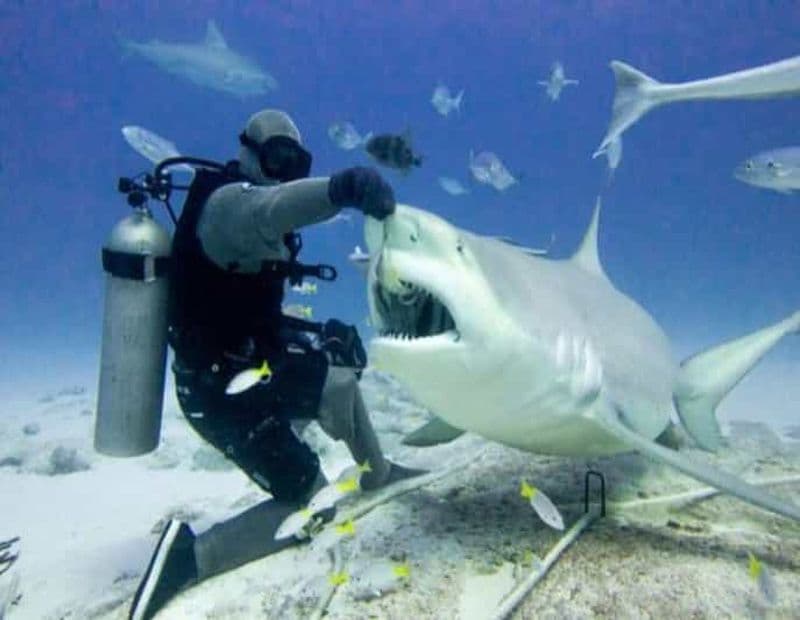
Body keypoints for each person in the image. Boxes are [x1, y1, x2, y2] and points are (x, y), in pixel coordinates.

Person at [129, 109, 424, 620]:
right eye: (276, 157)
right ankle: (190, 558)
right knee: (314, 504)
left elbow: (242, 308)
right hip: (218, 396)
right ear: (247, 152)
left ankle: (378, 471)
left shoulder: (253, 220)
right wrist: (341, 189)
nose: (284, 170)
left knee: (339, 378)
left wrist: (311, 332)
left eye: (296, 161)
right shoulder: (227, 206)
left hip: (251, 364)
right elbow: (270, 208)